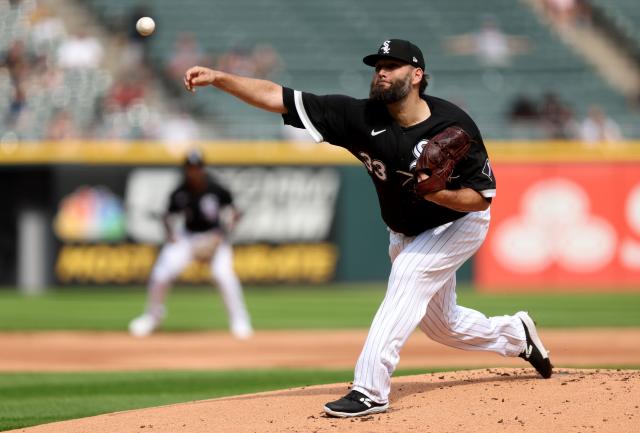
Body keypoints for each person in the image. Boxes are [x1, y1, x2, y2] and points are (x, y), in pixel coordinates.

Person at [183, 38, 553, 418]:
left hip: (459, 222)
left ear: (417, 75)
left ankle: (370, 389)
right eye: (378, 65)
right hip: (406, 232)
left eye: (391, 65)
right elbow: (279, 97)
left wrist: (438, 193)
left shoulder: (454, 124)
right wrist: (219, 78)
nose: (381, 71)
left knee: (408, 274)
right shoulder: (359, 118)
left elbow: (482, 197)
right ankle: (516, 333)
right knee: (445, 326)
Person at [128, 149, 253, 339]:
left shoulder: (216, 189)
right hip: (187, 237)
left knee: (224, 275)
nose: (193, 171)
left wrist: (222, 236)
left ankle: (240, 320)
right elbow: (167, 216)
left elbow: (236, 213)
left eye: (197, 167)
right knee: (161, 273)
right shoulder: (180, 191)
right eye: (190, 168)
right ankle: (152, 317)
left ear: (202, 168)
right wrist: (171, 236)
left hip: (213, 236)